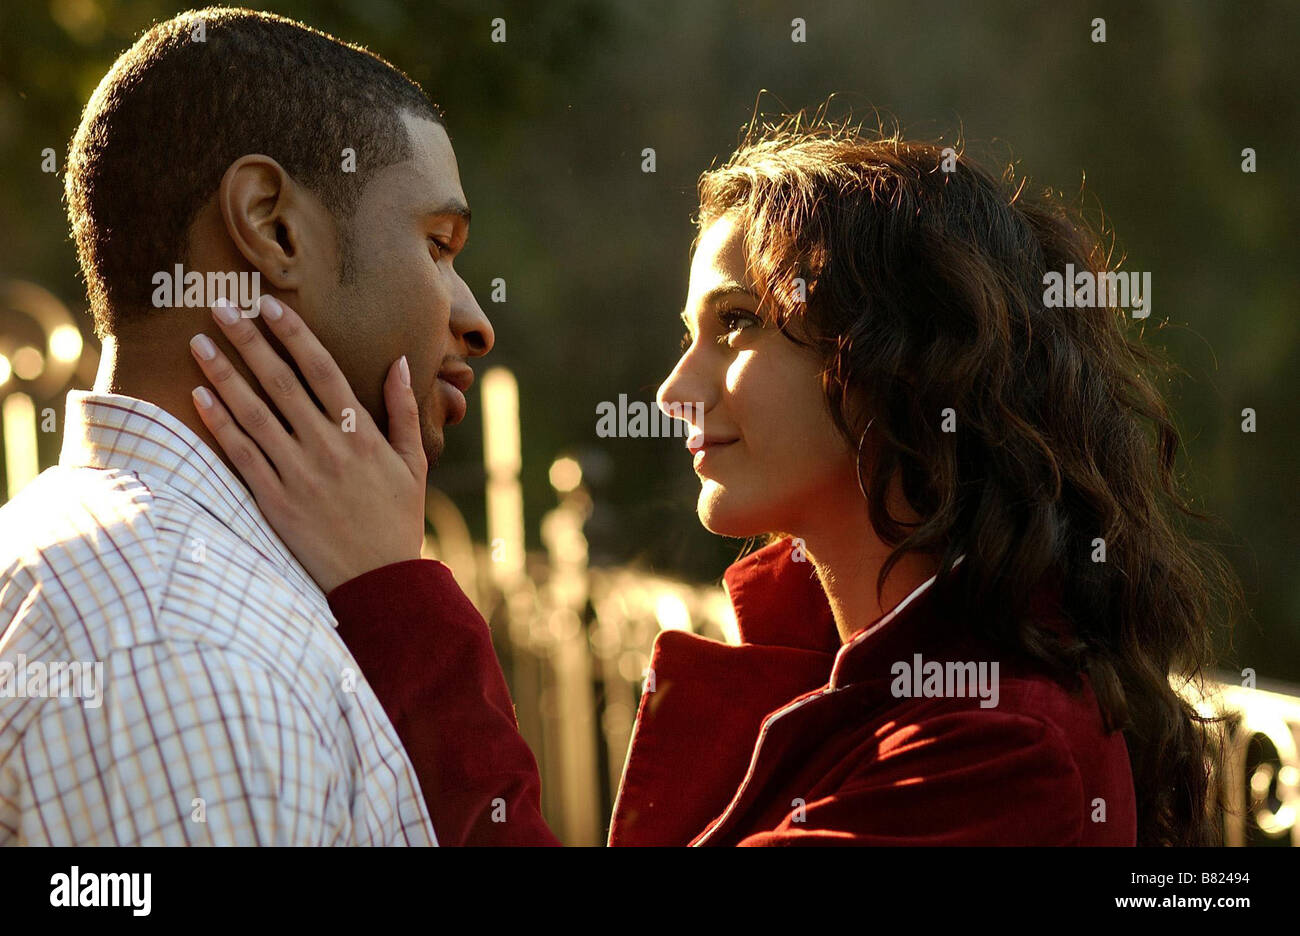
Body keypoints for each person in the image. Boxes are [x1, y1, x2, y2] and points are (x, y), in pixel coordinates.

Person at [202, 112, 1241, 847]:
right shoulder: (830, 665)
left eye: (736, 326)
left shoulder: (990, 752)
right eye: (688, 334)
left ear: (898, 361)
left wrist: (394, 596)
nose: (671, 390)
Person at [0, 8, 548, 845]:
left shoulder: (88, 564)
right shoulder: (190, 649)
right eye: (438, 244)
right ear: (271, 224)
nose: (477, 321)